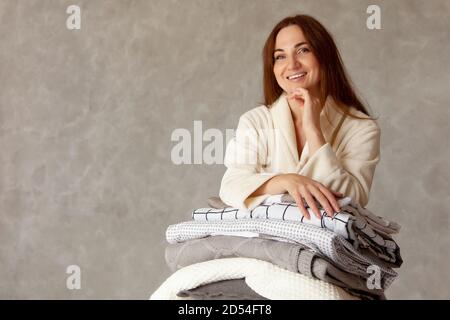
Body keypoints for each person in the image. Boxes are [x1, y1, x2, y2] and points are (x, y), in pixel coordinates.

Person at [219, 14, 381, 220]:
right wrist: (287, 181)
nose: (292, 64)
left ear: (324, 56)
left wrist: (314, 130)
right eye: (280, 56)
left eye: (303, 50)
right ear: (273, 68)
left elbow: (352, 200)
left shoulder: (361, 128)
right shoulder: (255, 121)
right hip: (264, 245)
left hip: (327, 246)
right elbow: (231, 185)